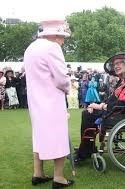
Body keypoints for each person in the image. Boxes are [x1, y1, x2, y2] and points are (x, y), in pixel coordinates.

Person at [24, 20, 74, 188]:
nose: (63, 40)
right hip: (52, 101)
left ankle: (38, 173)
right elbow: (61, 78)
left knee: (38, 136)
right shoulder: (52, 47)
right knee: (58, 137)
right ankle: (58, 177)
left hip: (35, 102)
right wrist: (68, 87)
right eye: (61, 36)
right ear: (54, 34)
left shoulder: (30, 48)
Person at [75, 53, 125, 161]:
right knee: (88, 112)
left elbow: (122, 102)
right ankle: (87, 148)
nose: (116, 66)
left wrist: (101, 107)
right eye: (115, 64)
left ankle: (86, 150)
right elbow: (111, 98)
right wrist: (97, 105)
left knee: (87, 115)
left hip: (121, 113)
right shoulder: (122, 80)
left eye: (119, 63)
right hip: (115, 111)